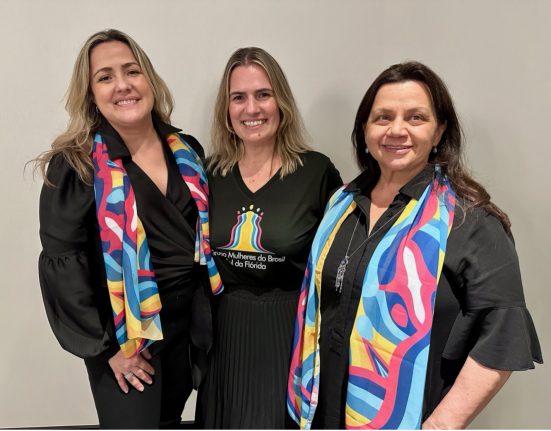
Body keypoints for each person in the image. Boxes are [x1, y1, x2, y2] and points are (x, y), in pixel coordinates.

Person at [288, 61, 543, 429]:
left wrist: (439, 426)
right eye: (383, 117)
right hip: (317, 413)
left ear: (439, 130)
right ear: (364, 130)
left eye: (416, 118)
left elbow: (504, 335)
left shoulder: (469, 221)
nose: (397, 130)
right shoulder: (341, 204)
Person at [35, 29, 221, 429]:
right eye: (105, 77)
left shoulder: (187, 151)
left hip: (186, 331)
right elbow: (63, 266)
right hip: (125, 341)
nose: (122, 85)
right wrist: (107, 351)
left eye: (131, 71)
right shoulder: (77, 165)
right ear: (91, 94)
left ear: (149, 79)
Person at [195, 47, 342, 429]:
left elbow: (341, 260)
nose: (251, 109)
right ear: (226, 111)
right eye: (238, 97)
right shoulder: (207, 174)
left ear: (282, 102)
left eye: (263, 94)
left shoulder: (316, 172)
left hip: (291, 332)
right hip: (225, 333)